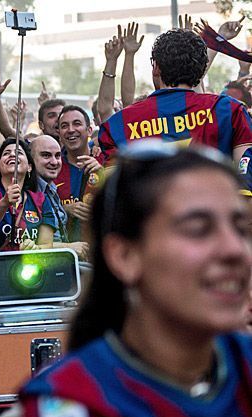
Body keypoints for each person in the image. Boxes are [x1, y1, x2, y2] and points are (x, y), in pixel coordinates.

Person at [19, 143, 252, 417]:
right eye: (198, 229)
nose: (235, 249)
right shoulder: (70, 405)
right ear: (124, 255)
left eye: (241, 228)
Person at [99, 28, 252, 162]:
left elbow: (115, 192)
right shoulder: (229, 111)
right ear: (200, 69)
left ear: (156, 67)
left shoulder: (117, 125)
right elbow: (246, 183)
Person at [0, 138, 56, 254]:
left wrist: (35, 249)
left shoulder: (41, 200)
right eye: (6, 153)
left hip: (30, 267)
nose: (12, 155)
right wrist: (5, 202)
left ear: (29, 167)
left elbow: (47, 244)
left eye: (19, 153)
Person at [30, 135, 89, 260]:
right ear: (30, 160)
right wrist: (68, 247)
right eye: (46, 155)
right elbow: (29, 245)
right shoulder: (27, 193)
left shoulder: (51, 188)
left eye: (57, 156)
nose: (54, 162)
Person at [55, 105, 105, 242]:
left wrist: (104, 174)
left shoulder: (104, 160)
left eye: (77, 124)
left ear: (89, 130)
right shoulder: (52, 167)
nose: (71, 130)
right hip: (66, 255)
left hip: (101, 250)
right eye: (64, 126)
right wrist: (63, 210)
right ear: (59, 133)